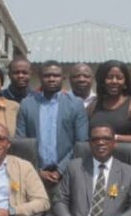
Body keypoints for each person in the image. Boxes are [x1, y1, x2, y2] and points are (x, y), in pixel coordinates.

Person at [16, 60, 89, 193]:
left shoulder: (75, 104)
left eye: (56, 75)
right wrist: (38, 170)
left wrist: (60, 170)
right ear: (40, 78)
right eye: (47, 75)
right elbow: (21, 142)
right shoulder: (27, 104)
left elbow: (81, 143)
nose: (51, 79)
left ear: (63, 78)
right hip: (34, 174)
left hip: (67, 174)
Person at [88, 60, 131, 144]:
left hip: (125, 155)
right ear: (102, 81)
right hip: (98, 155)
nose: (114, 81)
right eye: (109, 77)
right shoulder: (93, 105)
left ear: (125, 82)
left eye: (119, 78)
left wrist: (112, 137)